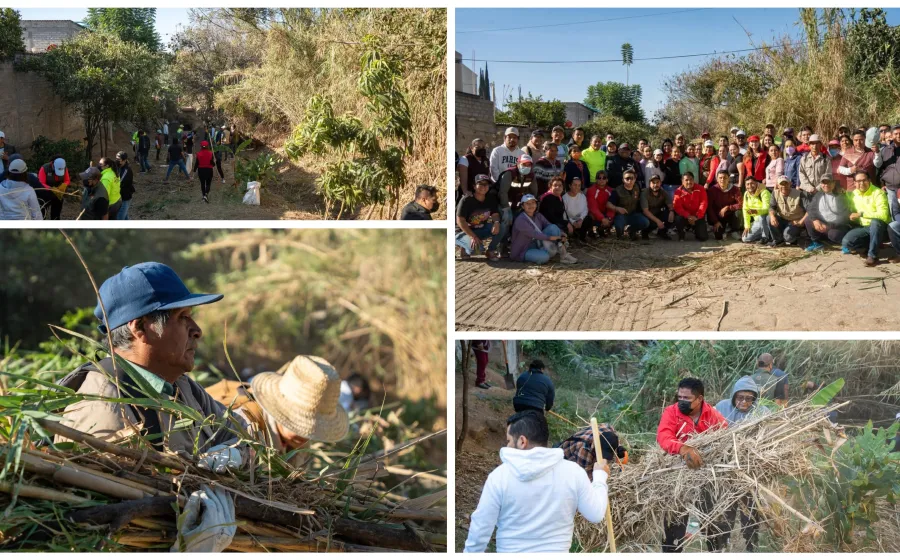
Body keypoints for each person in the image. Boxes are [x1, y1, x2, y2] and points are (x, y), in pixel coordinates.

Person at [56, 262, 249, 467]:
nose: (197, 331)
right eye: (183, 317)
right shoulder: (107, 408)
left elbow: (242, 436)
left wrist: (234, 454)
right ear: (140, 327)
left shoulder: (183, 388)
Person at [464, 411, 610, 553]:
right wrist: (600, 476)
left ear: (522, 441)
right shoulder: (574, 472)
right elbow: (596, 514)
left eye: (508, 441)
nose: (507, 446)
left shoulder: (500, 477)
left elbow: (481, 527)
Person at [206, 355, 350, 469]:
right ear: (280, 409)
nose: (307, 435)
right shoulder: (245, 426)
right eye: (302, 425)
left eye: (315, 427)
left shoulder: (299, 444)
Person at [657, 378, 728, 553]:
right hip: (677, 474)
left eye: (687, 398)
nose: (681, 401)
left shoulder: (711, 415)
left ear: (699, 398)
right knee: (674, 524)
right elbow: (664, 437)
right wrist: (682, 448)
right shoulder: (671, 412)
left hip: (706, 474)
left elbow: (725, 435)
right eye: (679, 397)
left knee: (713, 521)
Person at [714, 376, 769, 552]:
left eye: (749, 398)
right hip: (725, 470)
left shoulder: (761, 412)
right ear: (733, 396)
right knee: (726, 510)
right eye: (740, 397)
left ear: (754, 398)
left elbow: (769, 435)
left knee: (750, 511)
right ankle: (723, 545)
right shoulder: (721, 408)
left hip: (749, 471)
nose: (744, 402)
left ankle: (751, 546)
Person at [511, 194, 576, 264]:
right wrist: (554, 238)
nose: (531, 205)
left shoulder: (538, 215)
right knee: (545, 257)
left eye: (533, 203)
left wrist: (561, 232)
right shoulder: (521, 220)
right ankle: (546, 253)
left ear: (536, 204)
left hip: (537, 243)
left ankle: (563, 254)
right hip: (524, 249)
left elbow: (548, 224)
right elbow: (534, 234)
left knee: (553, 227)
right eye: (527, 203)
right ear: (522, 206)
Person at [843, 172, 890, 266]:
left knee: (875, 222)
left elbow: (883, 215)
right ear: (854, 183)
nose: (862, 183)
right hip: (864, 227)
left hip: (880, 228)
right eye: (858, 181)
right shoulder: (854, 194)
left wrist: (861, 214)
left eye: (864, 180)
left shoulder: (878, 193)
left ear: (869, 180)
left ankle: (872, 256)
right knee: (847, 242)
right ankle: (871, 245)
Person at [456, 174, 502, 260]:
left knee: (501, 227)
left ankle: (490, 250)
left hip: (480, 229)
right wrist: (472, 236)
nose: (483, 187)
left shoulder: (490, 198)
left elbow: (495, 214)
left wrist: (496, 222)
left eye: (486, 184)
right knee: (477, 250)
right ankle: (460, 243)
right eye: (480, 184)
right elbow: (460, 221)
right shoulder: (466, 200)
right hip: (463, 231)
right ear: (474, 186)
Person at [558, 423, 628, 480]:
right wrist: (601, 476)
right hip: (562, 459)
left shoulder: (607, 428)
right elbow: (587, 479)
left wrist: (618, 446)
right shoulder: (584, 449)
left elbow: (613, 436)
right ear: (596, 445)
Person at [805, 177, 851, 251]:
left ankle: (846, 243)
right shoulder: (818, 195)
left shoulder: (840, 196)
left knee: (833, 235)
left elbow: (844, 216)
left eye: (828, 182)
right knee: (808, 220)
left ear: (833, 184)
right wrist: (815, 220)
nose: (826, 185)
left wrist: (829, 226)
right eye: (824, 183)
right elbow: (810, 208)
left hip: (837, 226)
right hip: (823, 224)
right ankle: (816, 242)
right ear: (821, 184)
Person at [496, 154, 536, 234]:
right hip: (503, 203)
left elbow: (533, 192)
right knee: (506, 221)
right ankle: (503, 241)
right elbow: (503, 192)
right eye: (524, 164)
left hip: (518, 204)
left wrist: (529, 204)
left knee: (520, 221)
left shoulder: (531, 175)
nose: (526, 167)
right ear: (518, 164)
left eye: (529, 165)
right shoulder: (509, 173)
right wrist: (506, 208)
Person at [608, 170, 649, 240]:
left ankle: (631, 230)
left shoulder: (637, 187)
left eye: (632, 178)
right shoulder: (617, 190)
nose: (630, 180)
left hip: (633, 214)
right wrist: (617, 208)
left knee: (645, 223)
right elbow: (608, 204)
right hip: (621, 216)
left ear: (635, 179)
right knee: (619, 228)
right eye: (627, 178)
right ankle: (620, 234)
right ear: (623, 180)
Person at [768, 176, 806, 247]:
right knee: (769, 218)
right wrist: (772, 216)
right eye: (781, 184)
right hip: (783, 219)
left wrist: (801, 221)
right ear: (778, 185)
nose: (784, 186)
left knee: (788, 237)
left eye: (786, 184)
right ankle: (778, 241)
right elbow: (771, 207)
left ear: (790, 184)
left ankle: (801, 235)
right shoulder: (775, 193)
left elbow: (809, 210)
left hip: (795, 221)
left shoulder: (799, 194)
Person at [707, 170, 743, 241]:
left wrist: (728, 207)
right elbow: (709, 207)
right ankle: (720, 228)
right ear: (717, 179)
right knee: (718, 236)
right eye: (720, 178)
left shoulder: (735, 189)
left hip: (730, 214)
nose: (722, 180)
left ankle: (734, 230)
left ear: (728, 178)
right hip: (718, 215)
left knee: (738, 212)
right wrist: (715, 221)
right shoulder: (712, 190)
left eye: (725, 178)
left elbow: (741, 204)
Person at [673, 172, 708, 242]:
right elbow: (677, 207)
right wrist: (688, 216)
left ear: (694, 180)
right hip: (685, 216)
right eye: (686, 180)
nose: (689, 182)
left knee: (703, 237)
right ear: (682, 181)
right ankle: (681, 233)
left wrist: (697, 216)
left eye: (691, 179)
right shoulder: (678, 191)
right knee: (678, 219)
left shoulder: (700, 188)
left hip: (697, 216)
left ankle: (695, 229)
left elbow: (703, 203)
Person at [878, 125, 900, 222]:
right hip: (890, 188)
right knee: (894, 213)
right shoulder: (884, 151)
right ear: (891, 135)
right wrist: (882, 184)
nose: (898, 136)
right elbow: (881, 169)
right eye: (896, 134)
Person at [641, 175, 673, 240]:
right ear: (649, 184)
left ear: (660, 183)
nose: (655, 185)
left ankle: (662, 232)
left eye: (657, 182)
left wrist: (671, 211)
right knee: (647, 222)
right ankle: (645, 232)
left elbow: (670, 205)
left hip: (657, 213)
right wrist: (658, 221)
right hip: (647, 216)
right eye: (653, 183)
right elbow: (645, 211)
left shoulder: (663, 192)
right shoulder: (644, 193)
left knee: (672, 215)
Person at [742, 176, 773, 243]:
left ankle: (765, 237)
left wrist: (756, 211)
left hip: (768, 219)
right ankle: (768, 233)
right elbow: (745, 210)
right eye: (747, 184)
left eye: (752, 183)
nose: (750, 186)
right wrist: (747, 226)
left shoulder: (764, 192)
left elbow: (767, 209)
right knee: (745, 238)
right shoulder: (746, 194)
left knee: (762, 216)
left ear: (756, 183)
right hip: (757, 221)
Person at [563, 174, 593, 241]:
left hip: (580, 220)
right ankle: (574, 234)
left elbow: (585, 210)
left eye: (579, 185)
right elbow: (564, 214)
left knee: (589, 219)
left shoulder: (582, 196)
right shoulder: (564, 198)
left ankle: (582, 237)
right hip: (570, 221)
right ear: (570, 186)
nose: (577, 187)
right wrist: (573, 222)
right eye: (575, 185)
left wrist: (581, 219)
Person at [586, 170, 615, 237]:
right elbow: (593, 208)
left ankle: (602, 229)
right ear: (596, 180)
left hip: (605, 213)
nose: (601, 180)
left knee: (613, 215)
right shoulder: (591, 190)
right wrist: (602, 219)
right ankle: (590, 231)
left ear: (607, 180)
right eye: (599, 178)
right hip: (594, 213)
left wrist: (608, 218)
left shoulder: (611, 191)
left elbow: (612, 206)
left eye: (604, 178)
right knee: (590, 216)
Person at [115, 151, 135, 220]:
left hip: (125, 198)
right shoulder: (119, 167)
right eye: (116, 159)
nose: (116, 161)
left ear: (124, 160)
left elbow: (119, 182)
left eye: (118, 160)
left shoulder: (126, 170)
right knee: (125, 217)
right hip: (120, 197)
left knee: (119, 218)